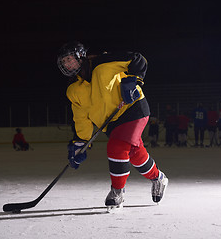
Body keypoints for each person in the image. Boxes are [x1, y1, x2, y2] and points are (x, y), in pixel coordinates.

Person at [57, 41, 168, 209]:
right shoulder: (74, 90)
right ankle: (158, 178)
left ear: (80, 56)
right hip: (112, 123)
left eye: (69, 59)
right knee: (134, 152)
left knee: (117, 147)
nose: (67, 64)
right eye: (64, 62)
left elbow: (137, 59)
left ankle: (117, 191)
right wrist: (80, 142)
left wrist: (133, 81)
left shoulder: (103, 63)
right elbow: (81, 119)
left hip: (133, 108)